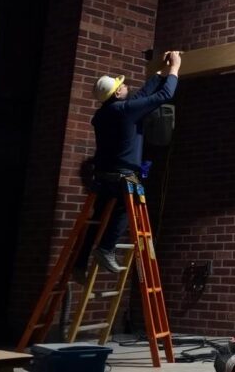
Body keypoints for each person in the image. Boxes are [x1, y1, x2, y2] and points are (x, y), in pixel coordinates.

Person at [75, 50, 182, 283]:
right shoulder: (125, 110)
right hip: (125, 175)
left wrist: (160, 71)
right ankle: (106, 248)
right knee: (129, 202)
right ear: (117, 94)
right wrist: (174, 69)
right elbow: (164, 94)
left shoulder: (104, 114)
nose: (125, 87)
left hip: (102, 176)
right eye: (121, 86)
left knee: (99, 217)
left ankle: (80, 261)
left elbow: (141, 94)